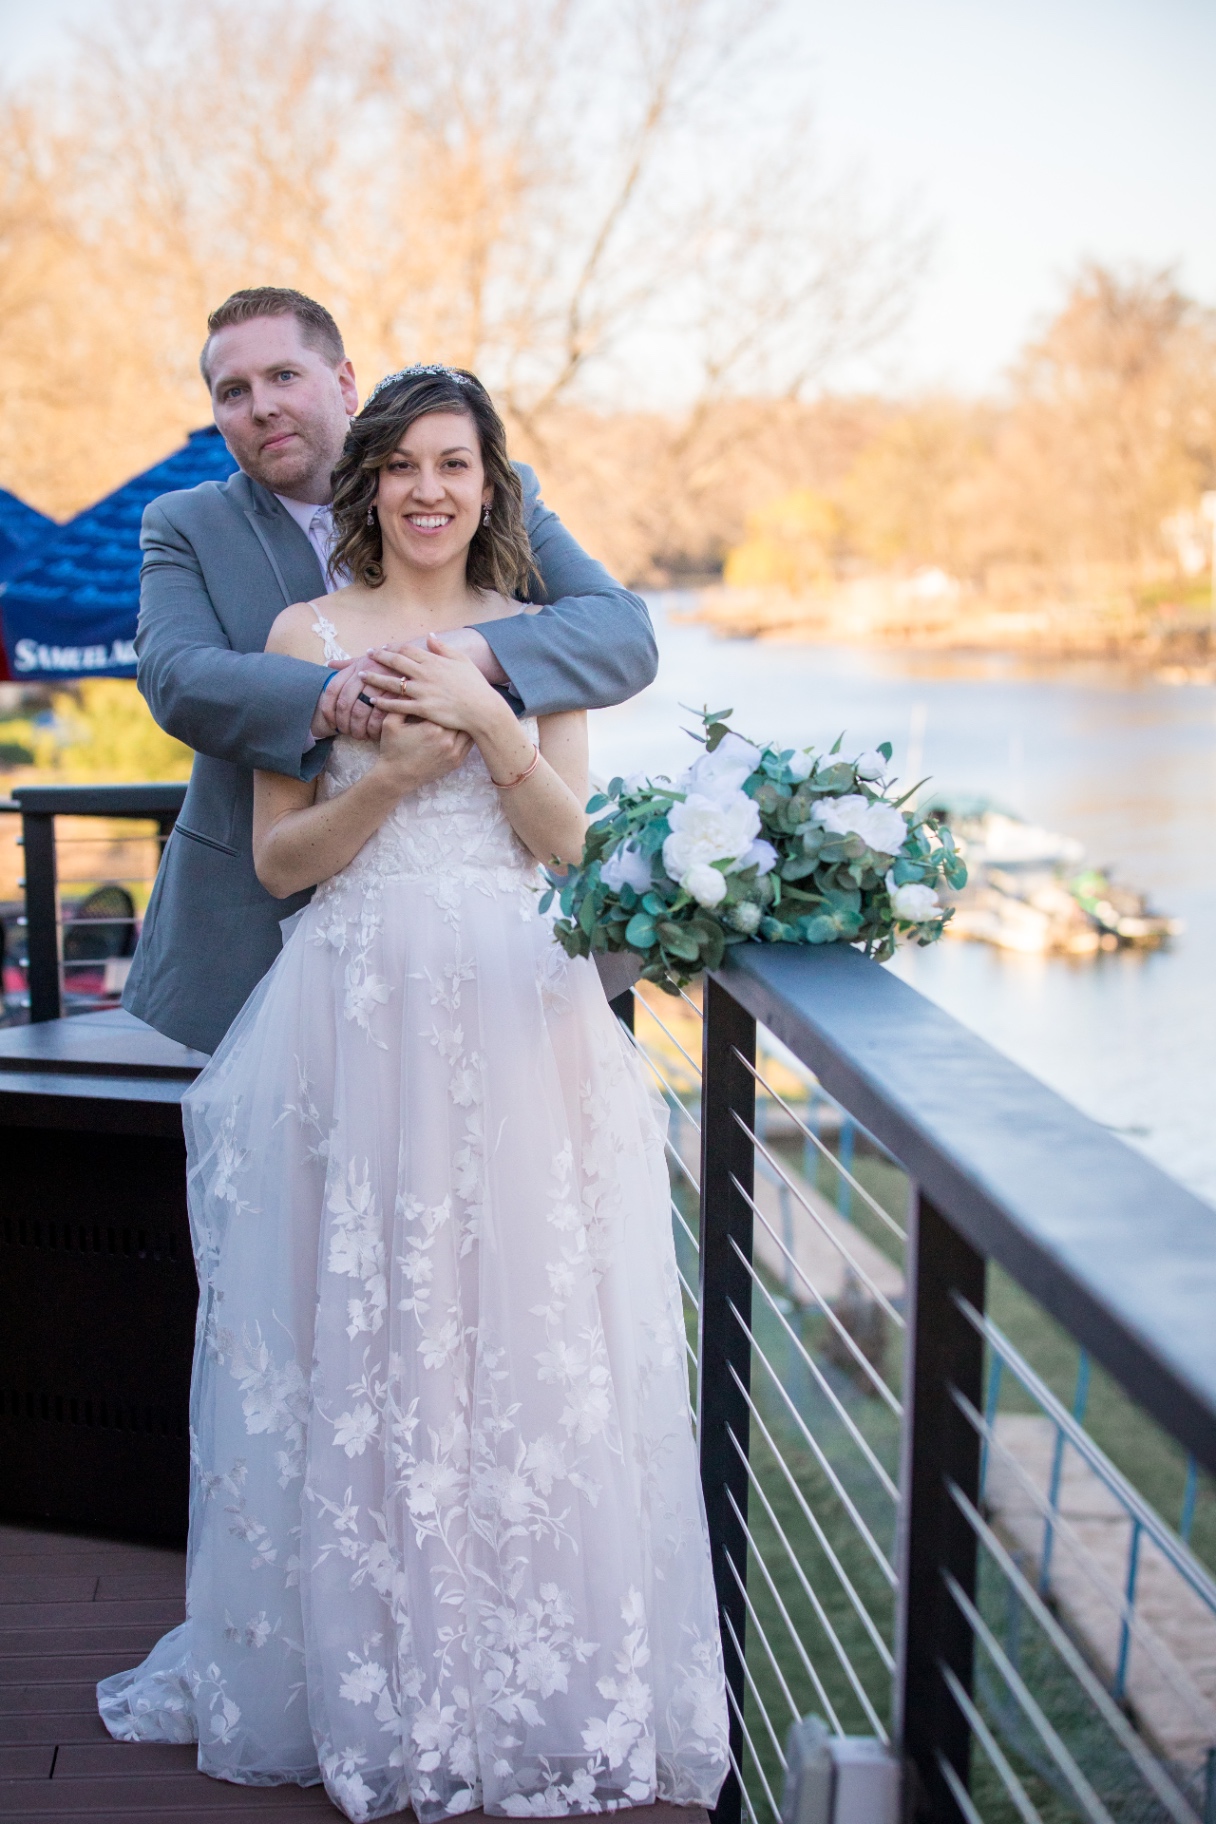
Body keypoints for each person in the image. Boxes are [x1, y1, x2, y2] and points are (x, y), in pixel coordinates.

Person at [97, 366, 729, 1823]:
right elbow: (277, 866)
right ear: (368, 484)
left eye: (459, 465)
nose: (432, 489)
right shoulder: (303, 636)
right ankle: (367, 1663)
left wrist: (489, 720)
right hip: (356, 1018)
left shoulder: (534, 639)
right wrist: (387, 774)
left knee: (519, 1329)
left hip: (518, 1021)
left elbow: (569, 848)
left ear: (490, 487)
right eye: (406, 466)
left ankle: (527, 1666)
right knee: (362, 1334)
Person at [123, 288, 658, 1055]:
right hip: (255, 936)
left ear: (344, 382)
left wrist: (469, 659)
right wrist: (338, 694)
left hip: (488, 958)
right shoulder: (186, 524)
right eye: (232, 392)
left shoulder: (471, 492)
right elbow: (175, 676)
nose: (262, 407)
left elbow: (620, 635)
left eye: (283, 376)